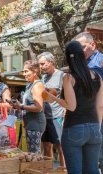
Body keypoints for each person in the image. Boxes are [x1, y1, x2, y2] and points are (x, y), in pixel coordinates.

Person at [45, 40, 103, 174]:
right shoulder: (98, 77)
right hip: (94, 128)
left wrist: (52, 98)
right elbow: (100, 106)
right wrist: (96, 127)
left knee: (75, 171)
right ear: (82, 55)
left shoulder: (68, 77)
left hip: (74, 128)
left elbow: (71, 106)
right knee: (92, 170)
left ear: (67, 57)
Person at [74, 32, 103, 170]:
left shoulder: (100, 62)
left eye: (83, 47)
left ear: (93, 45)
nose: (80, 52)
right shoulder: (82, 63)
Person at [12, 60, 46, 153]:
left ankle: (37, 168)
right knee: (32, 153)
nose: (24, 74)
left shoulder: (37, 85)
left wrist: (22, 106)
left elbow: (39, 107)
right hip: (30, 124)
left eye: (26, 71)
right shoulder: (30, 85)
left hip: (35, 124)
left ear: (35, 71)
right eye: (24, 71)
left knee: (35, 155)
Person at [38, 52, 65, 167]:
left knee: (61, 147)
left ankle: (64, 170)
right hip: (45, 117)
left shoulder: (62, 75)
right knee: (46, 146)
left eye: (43, 64)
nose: (41, 67)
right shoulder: (44, 77)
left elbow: (67, 97)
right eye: (40, 64)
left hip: (57, 116)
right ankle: (47, 170)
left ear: (51, 62)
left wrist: (65, 114)